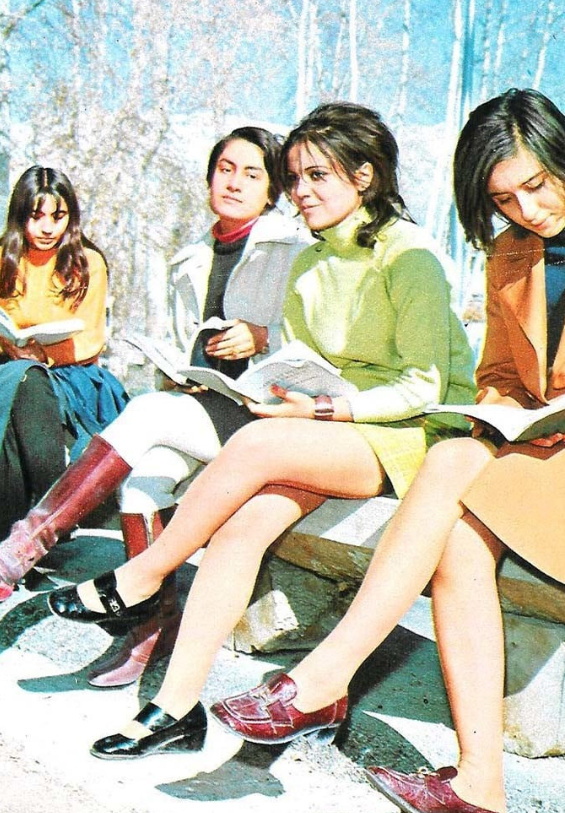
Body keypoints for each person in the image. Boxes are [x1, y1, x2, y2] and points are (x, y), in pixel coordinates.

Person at [199, 89, 565, 813]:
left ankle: (326, 687)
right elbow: (502, 376)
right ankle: (478, 789)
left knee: (460, 516)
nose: (528, 209)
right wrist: (499, 416)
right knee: (452, 468)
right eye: (505, 198)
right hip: (544, 446)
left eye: (538, 186)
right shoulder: (509, 250)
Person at [46, 101, 477, 753]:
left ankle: (144, 573)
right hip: (341, 432)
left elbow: (424, 384)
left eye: (315, 176)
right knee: (240, 528)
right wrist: (278, 387)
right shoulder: (315, 261)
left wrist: (322, 408)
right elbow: (308, 358)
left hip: (413, 434)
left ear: (364, 178)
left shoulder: (407, 256)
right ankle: (174, 709)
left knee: (253, 443)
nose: (298, 191)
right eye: (296, 177)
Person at [0, 128, 311, 684]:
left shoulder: (294, 247)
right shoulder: (191, 256)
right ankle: (150, 631)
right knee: (141, 483)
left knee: (149, 413)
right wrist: (178, 373)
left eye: (253, 174)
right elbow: (187, 344)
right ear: (209, 175)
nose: (234, 182)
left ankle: (34, 536)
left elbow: (315, 341)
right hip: (209, 410)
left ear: (273, 187)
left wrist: (261, 336)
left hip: (268, 419)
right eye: (225, 168)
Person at [0, 166, 129, 604]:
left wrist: (43, 353)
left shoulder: (88, 262)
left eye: (58, 216)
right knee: (21, 381)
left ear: (71, 218)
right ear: (19, 217)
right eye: (36, 217)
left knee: (24, 388)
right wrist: (9, 346)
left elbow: (89, 338)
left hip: (70, 375)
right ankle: (36, 532)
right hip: (7, 367)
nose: (47, 228)